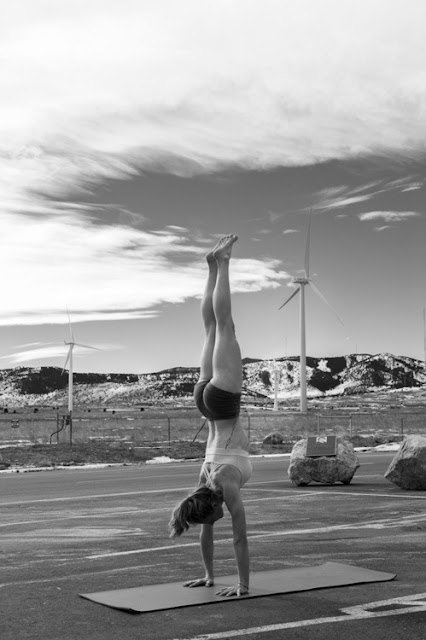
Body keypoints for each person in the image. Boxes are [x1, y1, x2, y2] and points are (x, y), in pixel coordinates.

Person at [169, 234, 251, 598]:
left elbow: (239, 536)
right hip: (204, 404)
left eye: (209, 518)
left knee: (224, 324)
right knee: (211, 328)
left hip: (221, 403)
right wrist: (209, 576)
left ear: (211, 505)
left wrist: (243, 585)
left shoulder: (223, 484)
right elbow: (211, 531)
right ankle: (211, 266)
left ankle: (224, 262)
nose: (211, 523)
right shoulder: (203, 482)